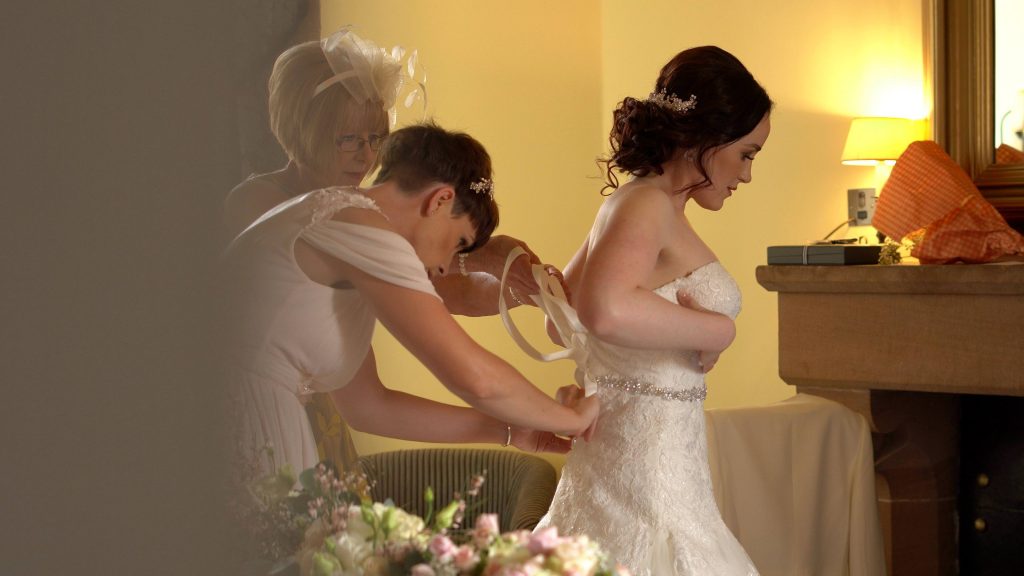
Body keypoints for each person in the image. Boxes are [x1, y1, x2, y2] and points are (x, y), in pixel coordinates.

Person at [223, 29, 566, 470]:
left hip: (294, 420)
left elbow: (369, 403)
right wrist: (570, 417)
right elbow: (452, 322)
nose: (365, 156)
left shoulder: (356, 220)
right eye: (349, 139)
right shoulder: (322, 216)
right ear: (305, 130)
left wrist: (510, 429)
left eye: (376, 139)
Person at [531, 46, 772, 575]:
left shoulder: (636, 202)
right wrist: (718, 328)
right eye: (747, 154)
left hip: (641, 459)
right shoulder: (647, 204)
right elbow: (603, 311)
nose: (747, 175)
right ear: (706, 136)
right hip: (647, 472)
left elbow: (560, 319)